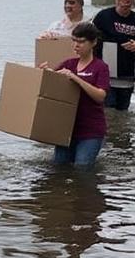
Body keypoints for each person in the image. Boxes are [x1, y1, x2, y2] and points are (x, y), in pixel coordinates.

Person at [40, 21, 110, 168]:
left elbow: (100, 96)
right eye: (74, 41)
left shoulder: (100, 67)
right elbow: (51, 88)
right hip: (66, 128)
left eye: (81, 42)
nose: (76, 45)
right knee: (59, 167)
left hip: (91, 130)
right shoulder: (68, 64)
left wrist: (77, 79)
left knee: (82, 168)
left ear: (93, 42)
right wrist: (45, 73)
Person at [92, 0, 135, 110]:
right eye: (121, 1)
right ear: (116, 1)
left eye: (127, 2)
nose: (124, 5)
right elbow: (90, 39)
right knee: (109, 109)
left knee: (123, 110)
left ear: (132, 3)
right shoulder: (103, 16)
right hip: (106, 72)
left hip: (127, 73)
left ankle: (122, 129)